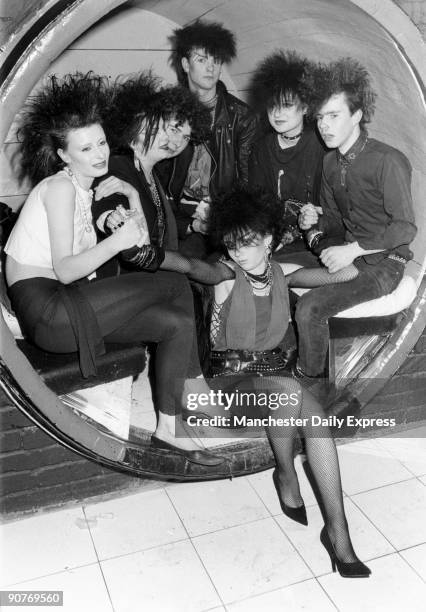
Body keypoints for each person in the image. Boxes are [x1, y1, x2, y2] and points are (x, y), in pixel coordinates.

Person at [4, 72, 223, 466]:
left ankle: (169, 431)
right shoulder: (60, 188)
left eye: (101, 142)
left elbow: (122, 235)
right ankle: (195, 391)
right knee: (175, 282)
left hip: (67, 306)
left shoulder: (88, 188)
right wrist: (115, 241)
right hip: (49, 312)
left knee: (175, 324)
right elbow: (67, 270)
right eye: (85, 148)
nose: (100, 153)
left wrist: (118, 216)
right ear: (64, 155)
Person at [157, 184, 371, 578]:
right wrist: (150, 255)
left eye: (249, 243)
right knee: (290, 391)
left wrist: (356, 248)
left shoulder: (282, 272)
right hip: (232, 381)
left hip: (272, 377)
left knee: (314, 417)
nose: (238, 251)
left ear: (270, 240)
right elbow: (191, 267)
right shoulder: (224, 274)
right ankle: (291, 477)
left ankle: (333, 528)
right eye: (232, 243)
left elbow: (345, 274)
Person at [295, 58, 417, 378]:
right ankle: (291, 351)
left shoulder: (387, 160)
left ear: (357, 115)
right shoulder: (330, 163)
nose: (324, 125)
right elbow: (334, 223)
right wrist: (314, 221)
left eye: (333, 116)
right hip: (354, 259)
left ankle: (310, 386)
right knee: (277, 273)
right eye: (320, 117)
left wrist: (353, 249)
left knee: (309, 308)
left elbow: (405, 227)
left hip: (386, 264)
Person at [92, 73, 211, 275]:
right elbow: (107, 210)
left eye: (186, 137)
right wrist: (112, 219)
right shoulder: (118, 165)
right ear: (145, 124)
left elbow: (164, 221)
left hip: (153, 276)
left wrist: (195, 226)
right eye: (173, 129)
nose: (177, 143)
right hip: (126, 283)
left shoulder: (153, 172)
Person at [162, 19, 258, 256]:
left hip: (222, 214)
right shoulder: (167, 111)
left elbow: (247, 182)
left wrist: (221, 218)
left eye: (216, 61)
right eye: (201, 60)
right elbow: (156, 176)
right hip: (177, 212)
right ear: (185, 64)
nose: (211, 68)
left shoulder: (241, 117)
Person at [248, 50, 326, 263]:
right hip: (273, 234)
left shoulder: (322, 146)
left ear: (306, 107)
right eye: (273, 106)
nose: (277, 113)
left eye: (287, 105)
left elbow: (333, 208)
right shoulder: (262, 148)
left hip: (314, 237)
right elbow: (259, 204)